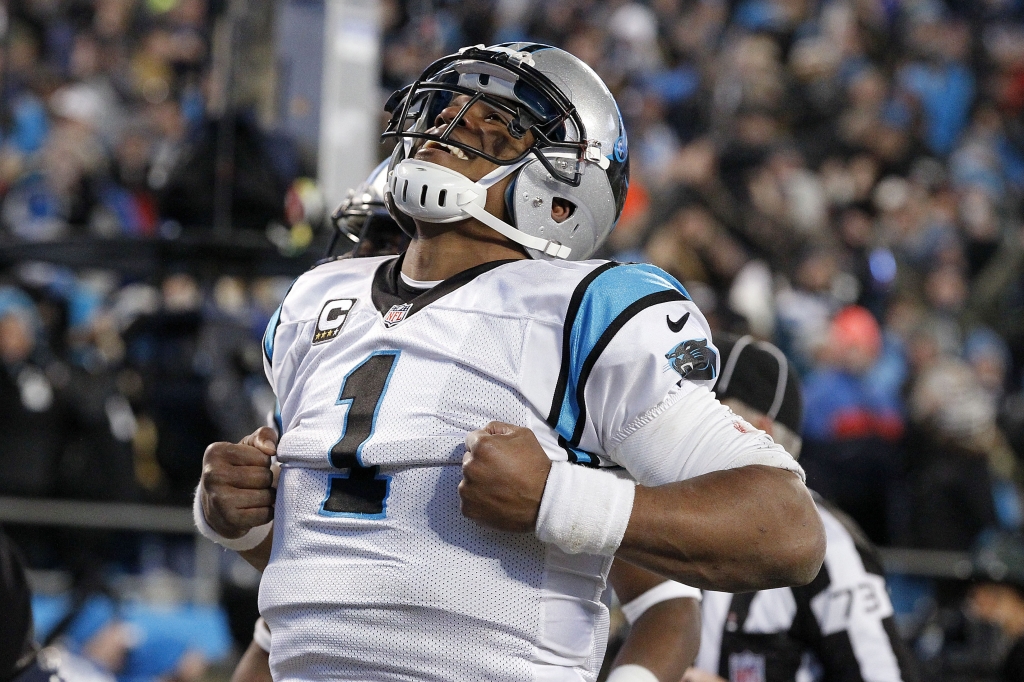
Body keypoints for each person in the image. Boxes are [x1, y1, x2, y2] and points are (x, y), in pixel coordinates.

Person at [196, 43, 825, 681]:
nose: (448, 129)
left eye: (493, 127)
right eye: (445, 111)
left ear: (561, 197)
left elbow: (786, 530)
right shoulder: (315, 303)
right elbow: (342, 570)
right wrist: (240, 521)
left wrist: (558, 494)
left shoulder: (586, 309)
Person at [231, 164, 701, 682]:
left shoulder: (533, 354)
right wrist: (236, 521)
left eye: (396, 238)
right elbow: (318, 585)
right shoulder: (318, 338)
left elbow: (667, 603)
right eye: (376, 236)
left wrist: (557, 496)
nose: (393, 258)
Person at [680, 335, 919, 682]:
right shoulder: (679, 524)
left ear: (755, 432)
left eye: (703, 419)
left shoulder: (829, 546)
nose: (678, 438)